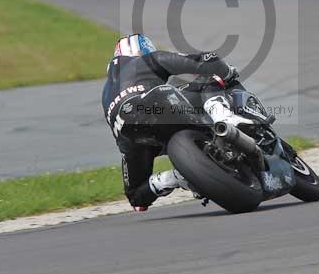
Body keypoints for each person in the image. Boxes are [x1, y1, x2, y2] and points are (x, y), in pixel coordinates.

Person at [102, 34, 242, 211]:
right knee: (209, 77)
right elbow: (203, 61)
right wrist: (226, 71)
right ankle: (226, 121)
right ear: (143, 51)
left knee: (137, 196)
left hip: (128, 133)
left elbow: (138, 202)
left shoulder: (106, 92)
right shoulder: (147, 60)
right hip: (156, 103)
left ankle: (175, 178)